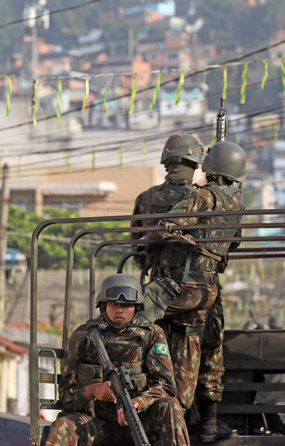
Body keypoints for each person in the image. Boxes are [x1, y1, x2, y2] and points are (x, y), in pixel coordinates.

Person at [145, 140, 246, 443]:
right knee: (191, 350)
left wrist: (160, 236)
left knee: (131, 316)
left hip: (180, 285)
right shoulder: (237, 203)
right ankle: (187, 417)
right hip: (209, 289)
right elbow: (235, 242)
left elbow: (163, 228)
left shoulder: (201, 196)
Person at [44, 274, 189, 446]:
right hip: (96, 424)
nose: (119, 310)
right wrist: (93, 390)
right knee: (62, 426)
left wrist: (138, 404)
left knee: (170, 406)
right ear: (103, 305)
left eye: (126, 305)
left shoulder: (151, 335)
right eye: (114, 304)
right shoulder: (83, 336)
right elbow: (67, 398)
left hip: (137, 422)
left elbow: (166, 388)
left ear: (136, 307)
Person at [131, 133, 204, 272]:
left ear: (166, 163)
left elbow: (137, 247)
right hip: (195, 281)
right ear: (195, 164)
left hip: (158, 282)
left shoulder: (144, 198)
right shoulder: (202, 199)